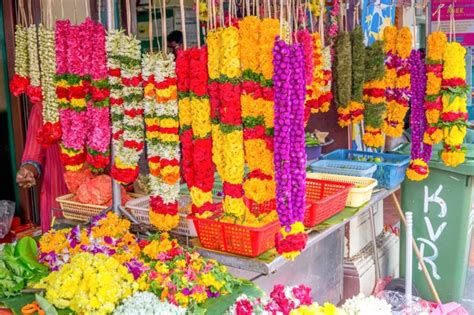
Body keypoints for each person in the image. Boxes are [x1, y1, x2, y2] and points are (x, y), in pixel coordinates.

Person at [16, 104, 68, 232]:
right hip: (59, 194)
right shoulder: (43, 106)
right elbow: (33, 155)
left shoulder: (102, 97)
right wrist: (28, 171)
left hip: (101, 194)